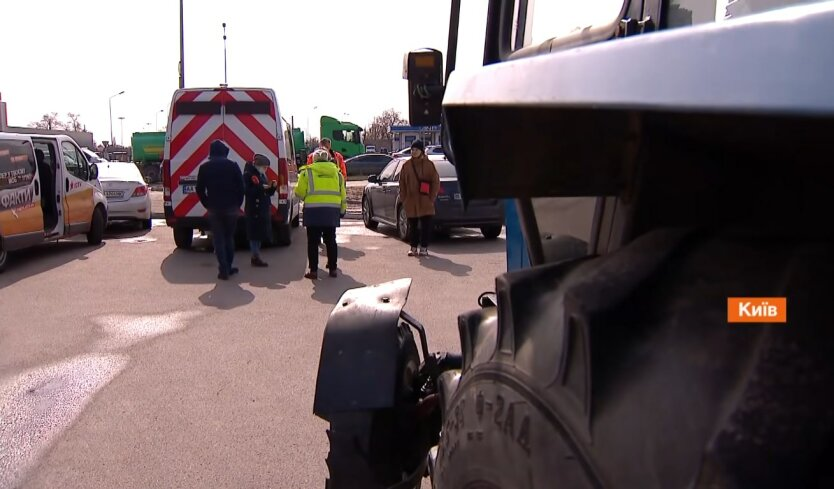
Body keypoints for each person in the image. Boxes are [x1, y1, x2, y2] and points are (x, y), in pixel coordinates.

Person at [196, 140, 245, 280]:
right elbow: (241, 187)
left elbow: (199, 189)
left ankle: (223, 268)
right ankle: (228, 267)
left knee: (218, 239)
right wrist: (237, 204)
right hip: (231, 208)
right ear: (224, 152)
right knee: (229, 238)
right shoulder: (233, 166)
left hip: (214, 208)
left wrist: (207, 203)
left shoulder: (204, 167)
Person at [295, 149, 347, 279]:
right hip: (331, 211)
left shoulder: (307, 172)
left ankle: (313, 271)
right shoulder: (337, 173)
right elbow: (343, 194)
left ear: (314, 159)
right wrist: (342, 210)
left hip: (313, 211)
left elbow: (299, 193)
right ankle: (333, 269)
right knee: (331, 240)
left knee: (312, 242)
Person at [398, 140, 440, 257]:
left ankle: (424, 248)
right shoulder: (406, 165)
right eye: (412, 149)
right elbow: (402, 183)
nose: (413, 151)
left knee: (426, 226)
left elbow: (435, 182)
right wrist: (404, 198)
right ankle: (413, 248)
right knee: (413, 226)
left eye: (416, 149)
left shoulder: (429, 165)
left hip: (425, 200)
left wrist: (431, 198)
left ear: (421, 151)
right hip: (411, 200)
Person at [244, 154, 277, 267]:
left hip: (262, 207)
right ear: (258, 165)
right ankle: (255, 256)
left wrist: (272, 188)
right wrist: (262, 188)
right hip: (255, 208)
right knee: (255, 234)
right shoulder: (249, 175)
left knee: (260, 233)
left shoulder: (261, 174)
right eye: (265, 167)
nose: (266, 169)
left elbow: (266, 192)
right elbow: (248, 191)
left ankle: (256, 255)